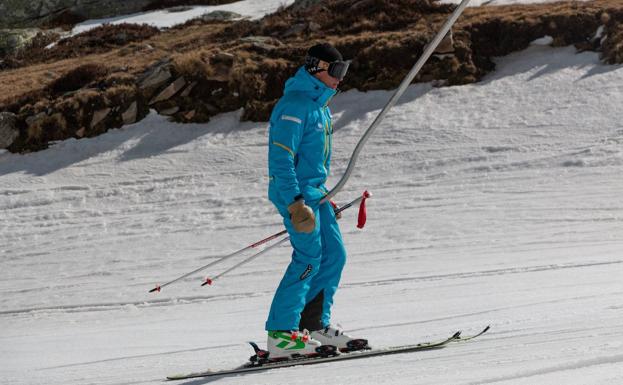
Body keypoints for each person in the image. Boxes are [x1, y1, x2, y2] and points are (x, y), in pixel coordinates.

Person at [265, 43, 366, 360]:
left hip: (316, 195)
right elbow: (280, 161)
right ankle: (281, 335)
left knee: (334, 255)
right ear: (316, 68)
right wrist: (295, 204)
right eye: (336, 71)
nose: (341, 78)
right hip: (295, 195)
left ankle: (313, 325)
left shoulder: (318, 106)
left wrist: (324, 198)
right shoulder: (294, 106)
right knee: (308, 258)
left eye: (344, 71)